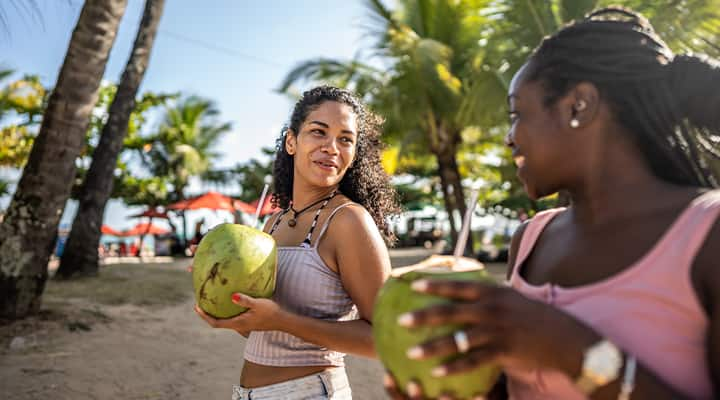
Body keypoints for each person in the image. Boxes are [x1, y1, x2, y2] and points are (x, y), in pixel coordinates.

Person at [384, 7, 719, 400]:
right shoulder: (532, 238)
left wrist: (573, 350)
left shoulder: (706, 234)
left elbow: (553, 347)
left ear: (579, 106)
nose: (510, 138)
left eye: (516, 114)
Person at [195, 85, 401, 399]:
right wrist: (225, 299)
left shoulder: (349, 221)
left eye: (345, 139)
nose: (332, 147)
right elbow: (261, 330)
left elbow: (386, 339)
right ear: (292, 141)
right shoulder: (272, 223)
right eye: (319, 132)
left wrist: (283, 320)